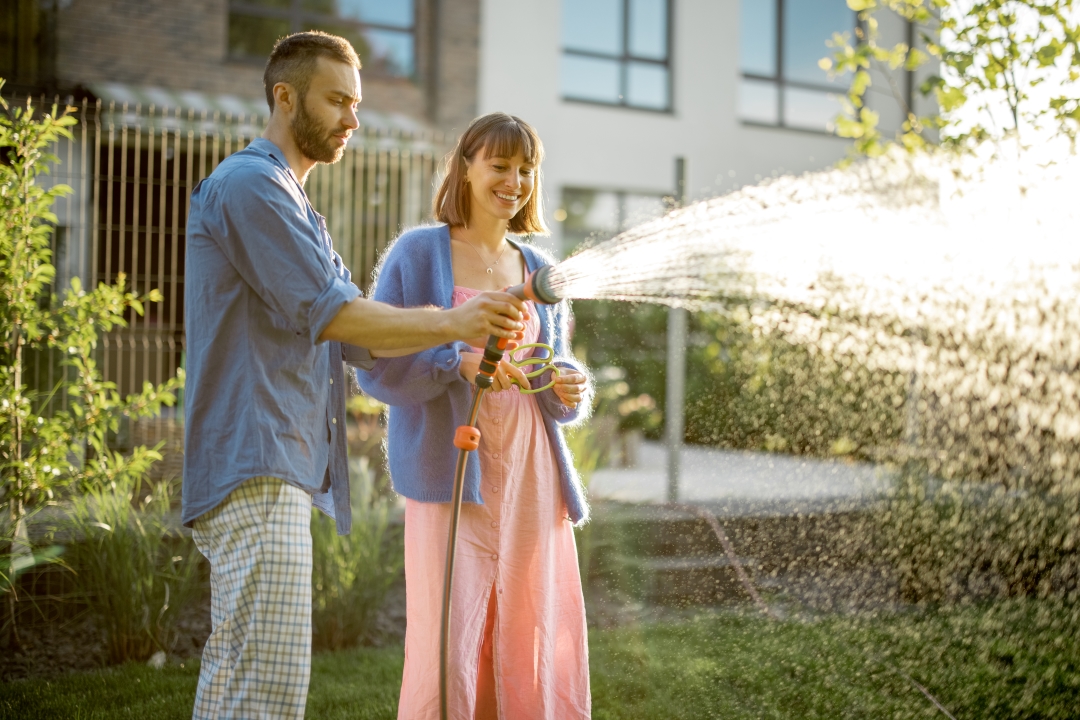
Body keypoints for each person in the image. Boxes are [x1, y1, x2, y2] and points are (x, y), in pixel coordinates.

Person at [181, 34, 526, 720]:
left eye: (357, 103)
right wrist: (455, 323)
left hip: (273, 463)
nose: (353, 119)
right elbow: (336, 315)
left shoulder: (295, 201)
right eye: (337, 99)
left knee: (237, 677)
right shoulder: (253, 186)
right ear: (285, 96)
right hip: (258, 461)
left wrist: (454, 356)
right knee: (264, 691)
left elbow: (361, 341)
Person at [357, 112, 594, 720]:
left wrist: (566, 385)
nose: (514, 181)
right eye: (499, 165)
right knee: (451, 633)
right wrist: (451, 361)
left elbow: (553, 376)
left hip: (529, 472)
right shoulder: (419, 253)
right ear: (465, 166)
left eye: (525, 169)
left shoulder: (538, 267)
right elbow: (374, 362)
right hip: (452, 470)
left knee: (530, 624)